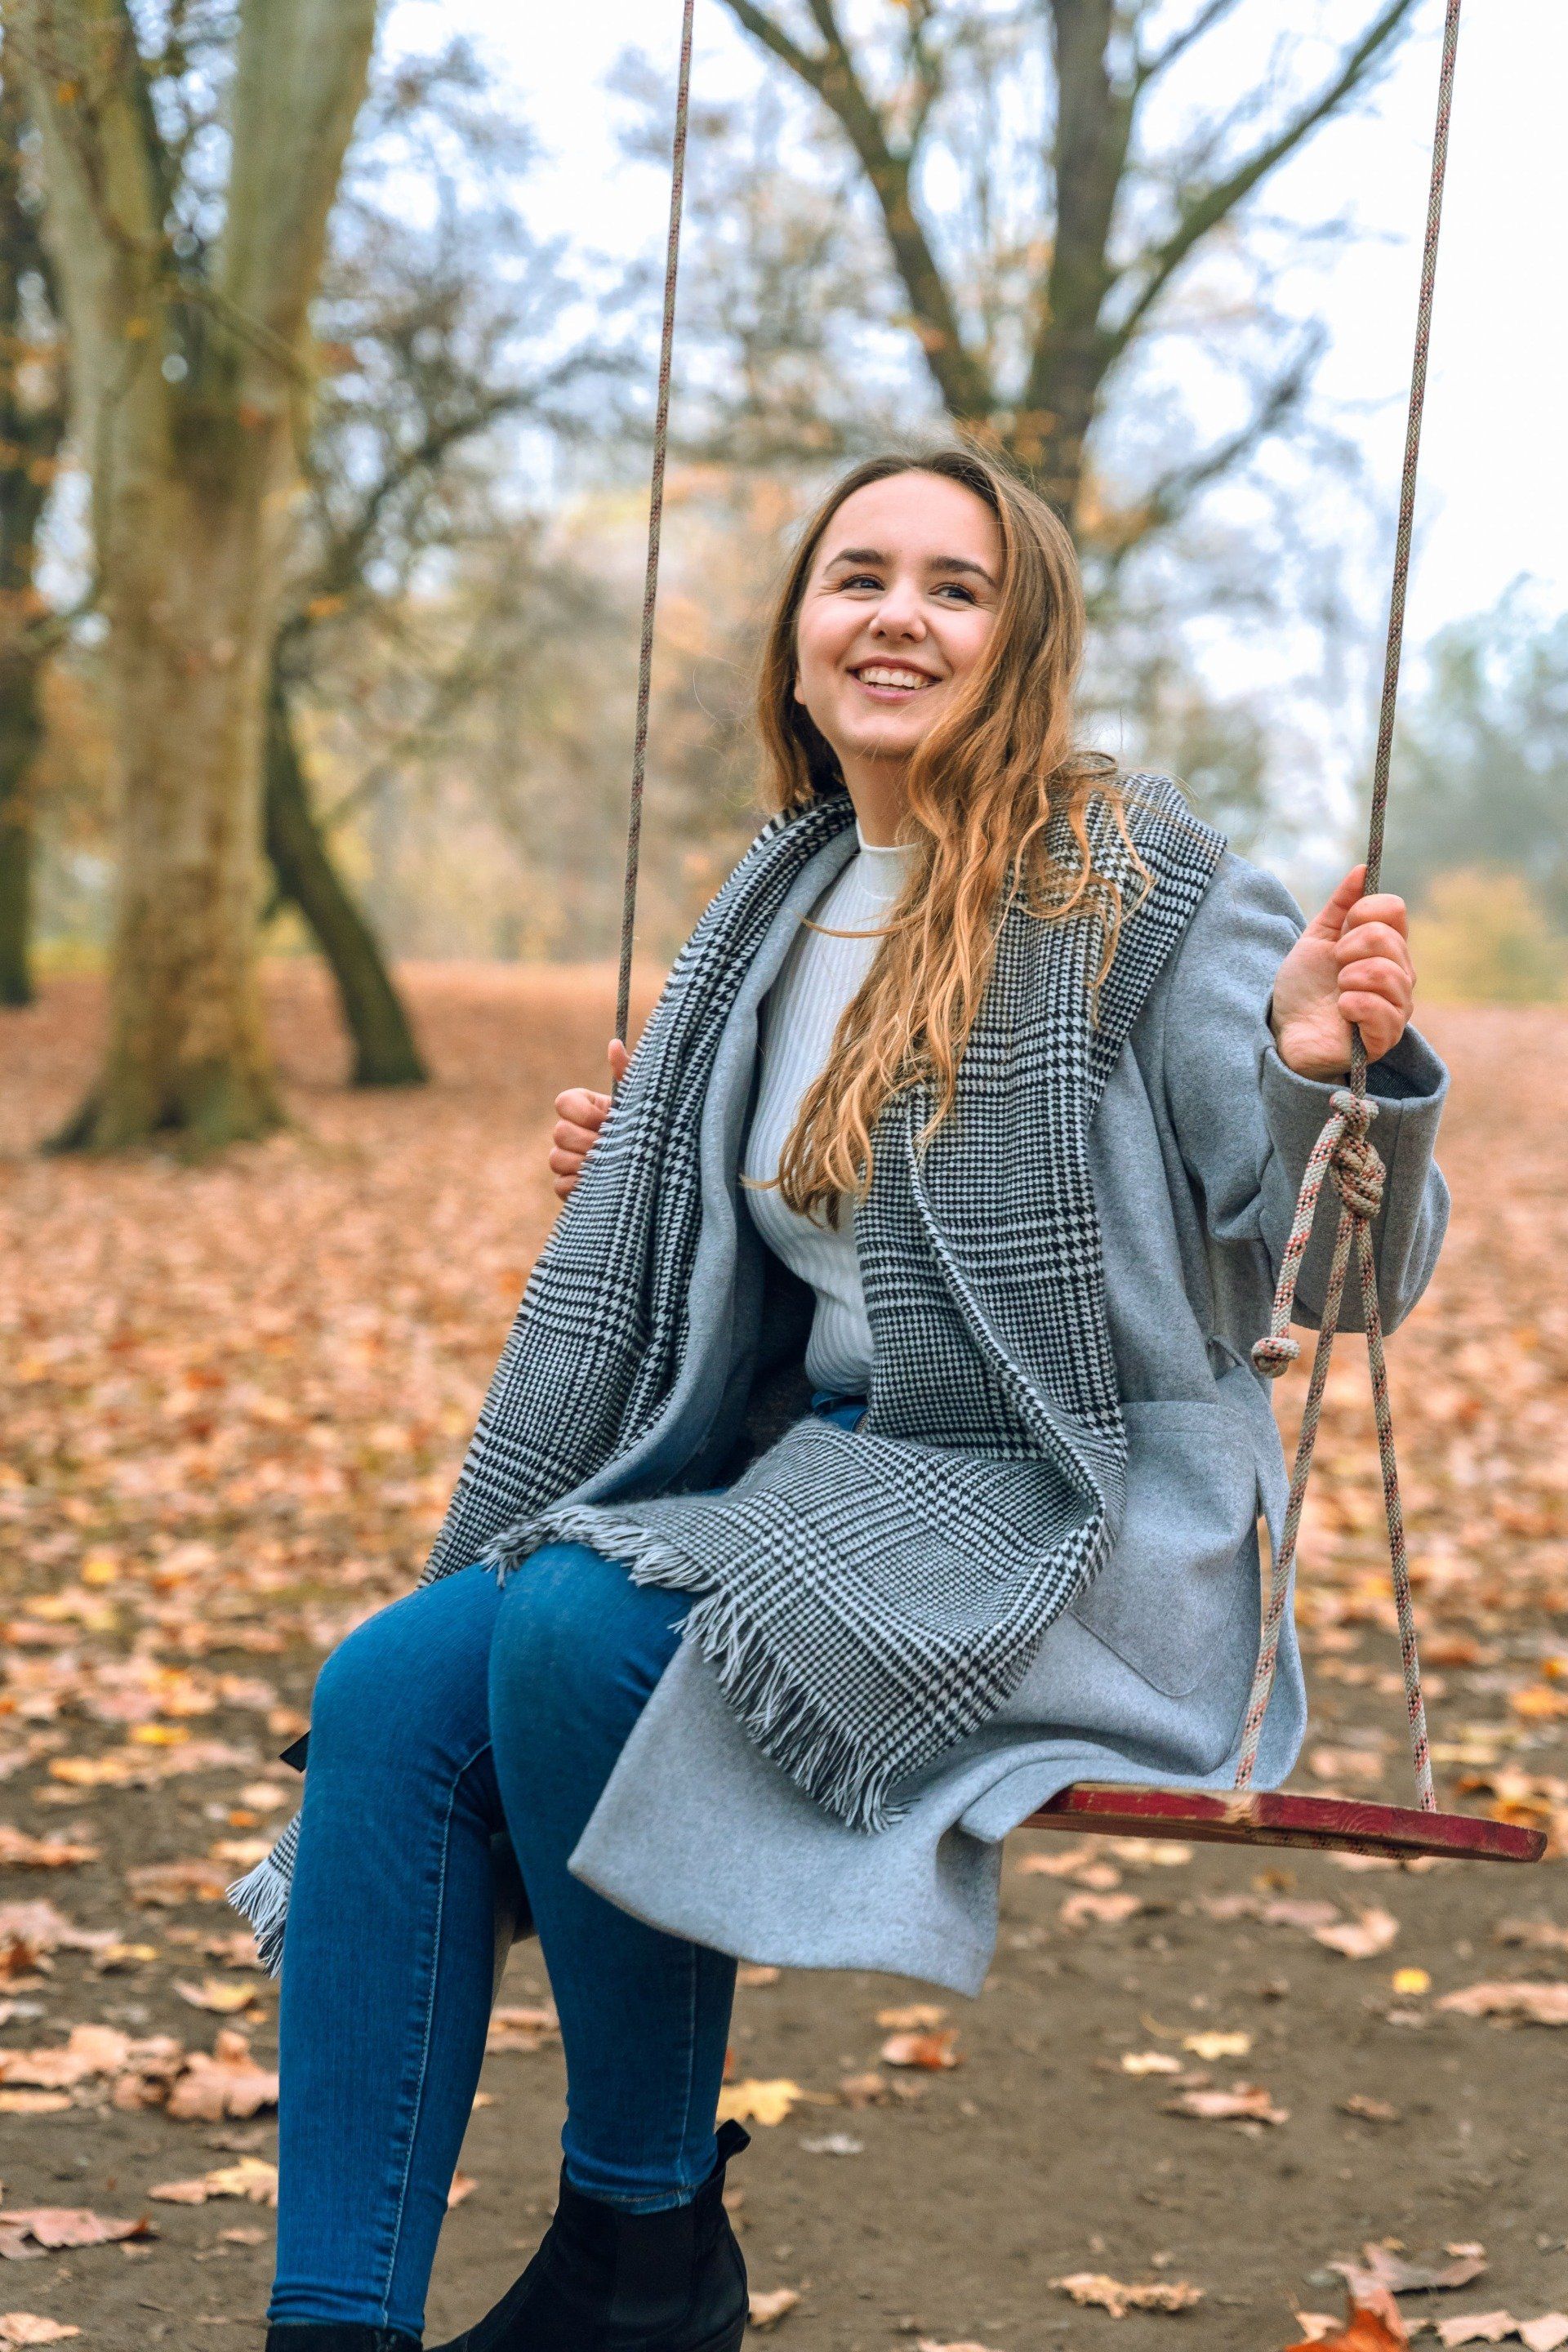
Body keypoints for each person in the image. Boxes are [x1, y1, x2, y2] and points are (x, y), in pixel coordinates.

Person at [242, 448, 1448, 2352]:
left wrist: (1313, 1067)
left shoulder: (1146, 886)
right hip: (825, 1476)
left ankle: (642, 2248)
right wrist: (658, 1175)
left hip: (1071, 1504)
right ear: (798, 638)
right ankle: (332, 2327)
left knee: (579, 1624)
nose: (900, 617)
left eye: (957, 588)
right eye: (858, 576)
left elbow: (1340, 1274)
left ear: (1022, 641)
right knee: (389, 1690)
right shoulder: (778, 897)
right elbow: (789, 1252)